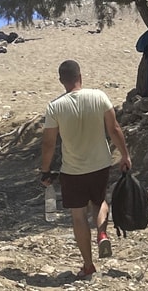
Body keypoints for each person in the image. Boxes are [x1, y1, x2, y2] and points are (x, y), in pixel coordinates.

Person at [39, 59, 132, 279]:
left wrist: (45, 170)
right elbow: (114, 128)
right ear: (80, 76)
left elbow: (49, 144)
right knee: (99, 202)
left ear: (61, 80)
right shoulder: (99, 96)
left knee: (78, 216)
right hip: (100, 164)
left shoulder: (55, 107)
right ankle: (102, 233)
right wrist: (125, 155)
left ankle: (88, 265)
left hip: (72, 170)